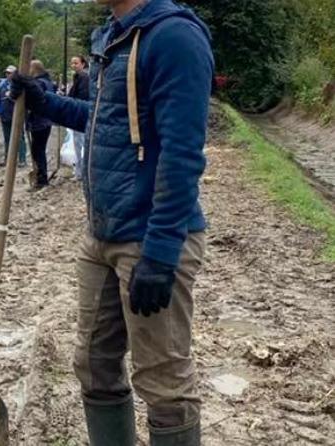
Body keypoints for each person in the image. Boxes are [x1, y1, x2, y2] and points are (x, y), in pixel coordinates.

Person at [11, 0, 213, 444]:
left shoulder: (173, 37)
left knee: (164, 382)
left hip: (151, 238)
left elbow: (182, 153)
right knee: (93, 362)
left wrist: (161, 253)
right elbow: (105, 121)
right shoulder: (114, 36)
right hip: (102, 234)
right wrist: (46, 101)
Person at [26, 60, 55, 189]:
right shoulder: (47, 82)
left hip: (39, 121)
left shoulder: (39, 83)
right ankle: (41, 175)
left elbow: (34, 99)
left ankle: (42, 178)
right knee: (38, 149)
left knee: (37, 150)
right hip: (46, 120)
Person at [0, 65, 27, 168]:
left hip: (17, 115)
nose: (8, 75)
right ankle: (8, 159)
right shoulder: (2, 86)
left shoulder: (20, 86)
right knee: (7, 138)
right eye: (7, 73)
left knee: (20, 138)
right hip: (5, 115)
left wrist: (12, 95)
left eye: (10, 73)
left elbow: (23, 101)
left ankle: (22, 159)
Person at [68, 55, 90, 180]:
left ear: (83, 64)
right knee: (78, 144)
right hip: (78, 114)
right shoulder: (78, 77)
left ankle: (81, 172)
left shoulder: (83, 78)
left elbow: (82, 96)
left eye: (76, 63)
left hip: (80, 115)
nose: (73, 65)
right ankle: (80, 171)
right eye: (72, 63)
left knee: (80, 144)